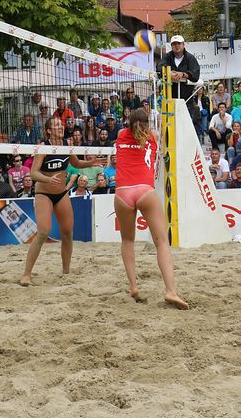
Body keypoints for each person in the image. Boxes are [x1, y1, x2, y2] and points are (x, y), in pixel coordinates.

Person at [112, 107, 189, 308]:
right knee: (162, 242)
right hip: (145, 191)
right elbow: (156, 131)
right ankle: (170, 291)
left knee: (127, 240)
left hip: (122, 193)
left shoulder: (121, 134)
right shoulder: (153, 136)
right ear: (147, 124)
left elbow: (131, 131)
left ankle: (133, 286)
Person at [19, 116, 106, 287]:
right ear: (49, 131)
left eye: (61, 124)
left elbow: (76, 163)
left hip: (61, 194)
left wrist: (91, 162)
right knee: (43, 232)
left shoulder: (67, 145)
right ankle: (26, 274)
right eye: (56, 125)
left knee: (68, 233)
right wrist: (47, 179)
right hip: (43, 193)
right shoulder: (43, 148)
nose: (61, 126)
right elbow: (33, 173)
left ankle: (66, 272)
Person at [158, 34, 201, 117]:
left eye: (179, 43)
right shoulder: (167, 57)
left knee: (186, 124)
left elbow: (195, 74)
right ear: (171, 46)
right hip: (169, 99)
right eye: (174, 44)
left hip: (187, 99)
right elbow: (159, 68)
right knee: (170, 125)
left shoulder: (190, 58)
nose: (176, 46)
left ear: (183, 45)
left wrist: (183, 74)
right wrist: (169, 73)